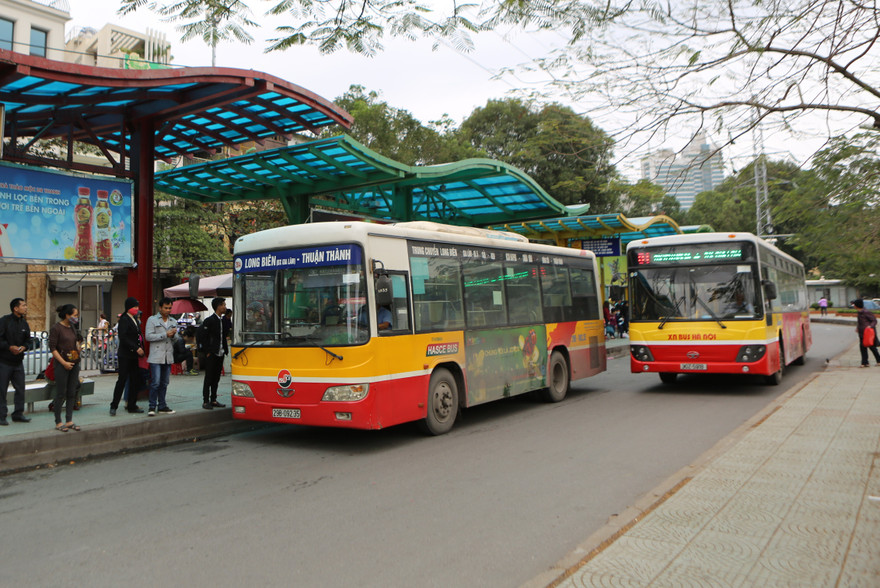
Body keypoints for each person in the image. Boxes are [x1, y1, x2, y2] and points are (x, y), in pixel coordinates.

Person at [110, 297, 145, 415]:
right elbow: (123, 337)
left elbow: (138, 336)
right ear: (128, 307)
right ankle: (114, 405)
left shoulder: (134, 319)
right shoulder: (124, 319)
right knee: (122, 380)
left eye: (137, 306)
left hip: (134, 355)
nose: (137, 309)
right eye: (134, 307)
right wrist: (136, 348)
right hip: (125, 355)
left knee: (135, 380)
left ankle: (132, 404)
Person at [0, 297, 33, 425]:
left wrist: (24, 347)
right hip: (4, 362)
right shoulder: (4, 321)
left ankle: (18, 414)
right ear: (16, 308)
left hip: (18, 362)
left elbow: (29, 340)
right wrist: (9, 347)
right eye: (23, 305)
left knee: (20, 388)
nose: (26, 307)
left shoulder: (24, 323)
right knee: (1, 390)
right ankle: (1, 415)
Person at [49, 304, 82, 432]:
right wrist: (63, 363)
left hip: (74, 362)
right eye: (74, 315)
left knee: (71, 392)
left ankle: (69, 420)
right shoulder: (56, 328)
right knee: (61, 393)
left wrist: (78, 346)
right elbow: (53, 348)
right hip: (62, 365)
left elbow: (76, 341)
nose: (76, 318)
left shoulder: (73, 327)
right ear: (67, 315)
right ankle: (58, 421)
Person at [145, 297, 178, 416]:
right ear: (160, 308)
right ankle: (152, 406)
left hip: (168, 355)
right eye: (166, 308)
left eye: (170, 308)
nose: (168, 310)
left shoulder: (173, 321)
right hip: (156, 356)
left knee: (165, 382)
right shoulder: (152, 320)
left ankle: (162, 405)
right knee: (155, 382)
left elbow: (175, 339)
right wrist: (165, 334)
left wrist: (174, 335)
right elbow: (148, 336)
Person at [199, 297, 228, 409]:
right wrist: (207, 351)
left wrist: (225, 349)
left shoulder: (223, 320)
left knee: (216, 377)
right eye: (223, 305)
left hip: (220, 352)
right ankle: (206, 400)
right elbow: (202, 337)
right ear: (218, 306)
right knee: (209, 377)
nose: (225, 307)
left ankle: (214, 399)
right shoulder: (209, 320)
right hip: (212, 353)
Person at [853, 299, 880, 367]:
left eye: (854, 304)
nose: (854, 306)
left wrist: (870, 326)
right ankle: (865, 362)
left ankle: (879, 360)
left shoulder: (866, 312)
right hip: (862, 333)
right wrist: (858, 328)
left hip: (868, 333)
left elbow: (874, 320)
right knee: (862, 347)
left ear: (857, 305)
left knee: (872, 347)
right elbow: (860, 322)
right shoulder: (859, 312)